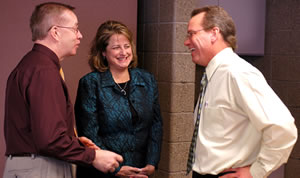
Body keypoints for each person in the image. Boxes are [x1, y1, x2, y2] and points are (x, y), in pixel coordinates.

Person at [3, 2, 123, 178]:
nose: (80, 35)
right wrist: (93, 156)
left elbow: (39, 132)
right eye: (75, 29)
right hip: (41, 169)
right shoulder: (44, 72)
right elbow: (49, 140)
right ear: (56, 32)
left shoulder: (31, 65)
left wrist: (73, 143)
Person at [184, 5, 298, 178]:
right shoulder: (212, 75)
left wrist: (256, 171)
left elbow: (283, 127)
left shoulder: (238, 73)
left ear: (214, 33)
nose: (186, 41)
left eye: (192, 33)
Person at [74, 20, 163, 178]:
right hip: (103, 172)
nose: (123, 52)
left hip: (140, 171)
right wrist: (116, 169)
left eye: (127, 46)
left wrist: (151, 163)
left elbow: (156, 125)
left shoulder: (147, 79)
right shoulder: (91, 83)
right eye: (116, 47)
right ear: (103, 52)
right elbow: (89, 134)